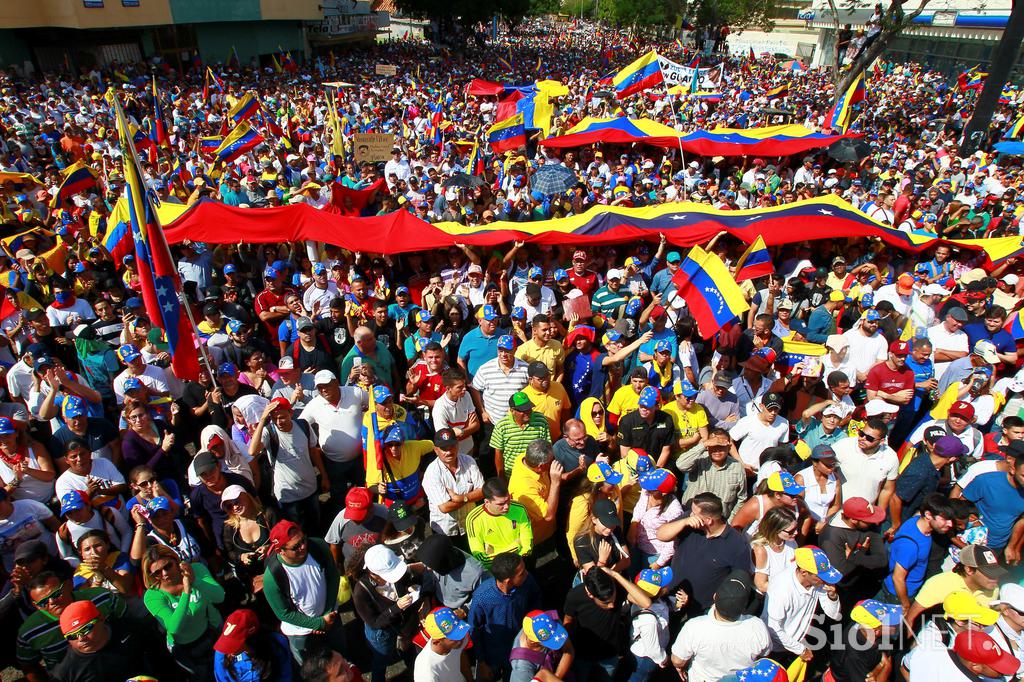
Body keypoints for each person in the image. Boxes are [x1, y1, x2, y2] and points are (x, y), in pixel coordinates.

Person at [262, 520, 345, 665]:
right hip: (302, 632)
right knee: (313, 669)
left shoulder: (317, 546)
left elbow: (333, 576)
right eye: (295, 547)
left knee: (341, 657)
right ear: (280, 551)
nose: (303, 546)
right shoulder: (273, 577)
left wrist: (328, 614)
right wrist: (318, 623)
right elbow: (284, 613)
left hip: (331, 616)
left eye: (303, 540)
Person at [657, 492, 753, 616]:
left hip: (702, 609)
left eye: (694, 513)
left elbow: (739, 581)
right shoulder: (689, 521)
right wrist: (684, 521)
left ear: (708, 520)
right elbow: (661, 535)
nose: (691, 515)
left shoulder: (736, 544)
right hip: (672, 598)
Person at [141, 544, 225, 680]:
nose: (165, 574)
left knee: (227, 669)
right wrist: (186, 592)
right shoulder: (153, 596)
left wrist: (195, 581)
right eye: (157, 572)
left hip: (211, 630)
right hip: (185, 647)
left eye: (168, 566)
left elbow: (219, 597)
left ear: (176, 561)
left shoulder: (197, 569)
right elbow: (174, 628)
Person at [670, 570, 772, 681]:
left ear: (715, 596)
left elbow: (677, 660)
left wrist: (680, 667)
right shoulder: (757, 626)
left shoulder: (694, 627)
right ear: (743, 608)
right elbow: (763, 657)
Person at [762, 546, 843, 665]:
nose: (825, 580)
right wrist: (800, 649)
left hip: (797, 642)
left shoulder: (816, 582)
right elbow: (772, 628)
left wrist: (832, 596)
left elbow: (834, 614)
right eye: (820, 576)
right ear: (804, 572)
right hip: (775, 649)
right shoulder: (781, 591)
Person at [468, 552, 542, 681]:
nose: (527, 574)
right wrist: (481, 662)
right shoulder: (482, 597)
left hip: (519, 648)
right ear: (508, 581)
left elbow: (536, 599)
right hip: (492, 654)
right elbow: (474, 629)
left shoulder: (528, 582)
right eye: (522, 573)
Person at [883, 493, 956, 610]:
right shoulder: (910, 545)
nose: (950, 524)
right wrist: (905, 605)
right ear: (928, 515)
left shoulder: (917, 520)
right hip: (899, 596)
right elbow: (898, 578)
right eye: (944, 519)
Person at [48, 599, 145, 682]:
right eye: (72, 636)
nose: (81, 638)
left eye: (85, 629)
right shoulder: (65, 671)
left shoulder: (131, 629)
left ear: (101, 619)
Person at [421, 427, 484, 543]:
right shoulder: (432, 472)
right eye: (444, 448)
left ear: (458, 445)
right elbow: (444, 507)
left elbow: (483, 491)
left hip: (470, 524)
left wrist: (459, 498)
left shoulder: (469, 461)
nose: (449, 451)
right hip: (445, 531)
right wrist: (469, 497)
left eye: (452, 446)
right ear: (436, 450)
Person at [826, 599, 901, 682]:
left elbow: (887, 655)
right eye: (890, 623)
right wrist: (887, 668)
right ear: (876, 631)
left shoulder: (865, 626)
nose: (896, 625)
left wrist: (879, 668)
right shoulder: (854, 655)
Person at [466, 476, 534, 567]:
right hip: (497, 569)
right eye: (501, 504)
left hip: (520, 563)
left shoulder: (519, 508)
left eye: (508, 500)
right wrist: (516, 545)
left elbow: (527, 544)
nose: (506, 506)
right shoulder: (473, 519)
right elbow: (480, 557)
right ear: (487, 502)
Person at [212, 608, 293, 682]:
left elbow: (285, 676)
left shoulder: (277, 643)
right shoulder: (221, 652)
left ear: (251, 637)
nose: (227, 648)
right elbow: (222, 679)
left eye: (233, 642)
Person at [416, 534, 487, 613]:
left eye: (431, 566)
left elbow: (484, 594)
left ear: (443, 561)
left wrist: (464, 610)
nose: (428, 569)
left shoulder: (476, 572)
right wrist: (426, 597)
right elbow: (428, 576)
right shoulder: (435, 560)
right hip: (438, 600)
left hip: (460, 609)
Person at [413, 606, 473, 681]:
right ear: (437, 642)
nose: (461, 638)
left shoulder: (457, 642)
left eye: (458, 632)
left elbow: (461, 655)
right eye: (454, 637)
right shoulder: (426, 671)